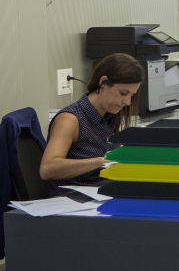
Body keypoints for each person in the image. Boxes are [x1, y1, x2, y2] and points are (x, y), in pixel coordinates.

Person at [40, 53, 144, 197]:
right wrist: (100, 161)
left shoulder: (108, 116)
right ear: (103, 83)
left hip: (101, 196)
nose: (127, 102)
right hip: (72, 203)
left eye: (131, 95)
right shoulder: (70, 119)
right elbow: (47, 169)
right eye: (123, 93)